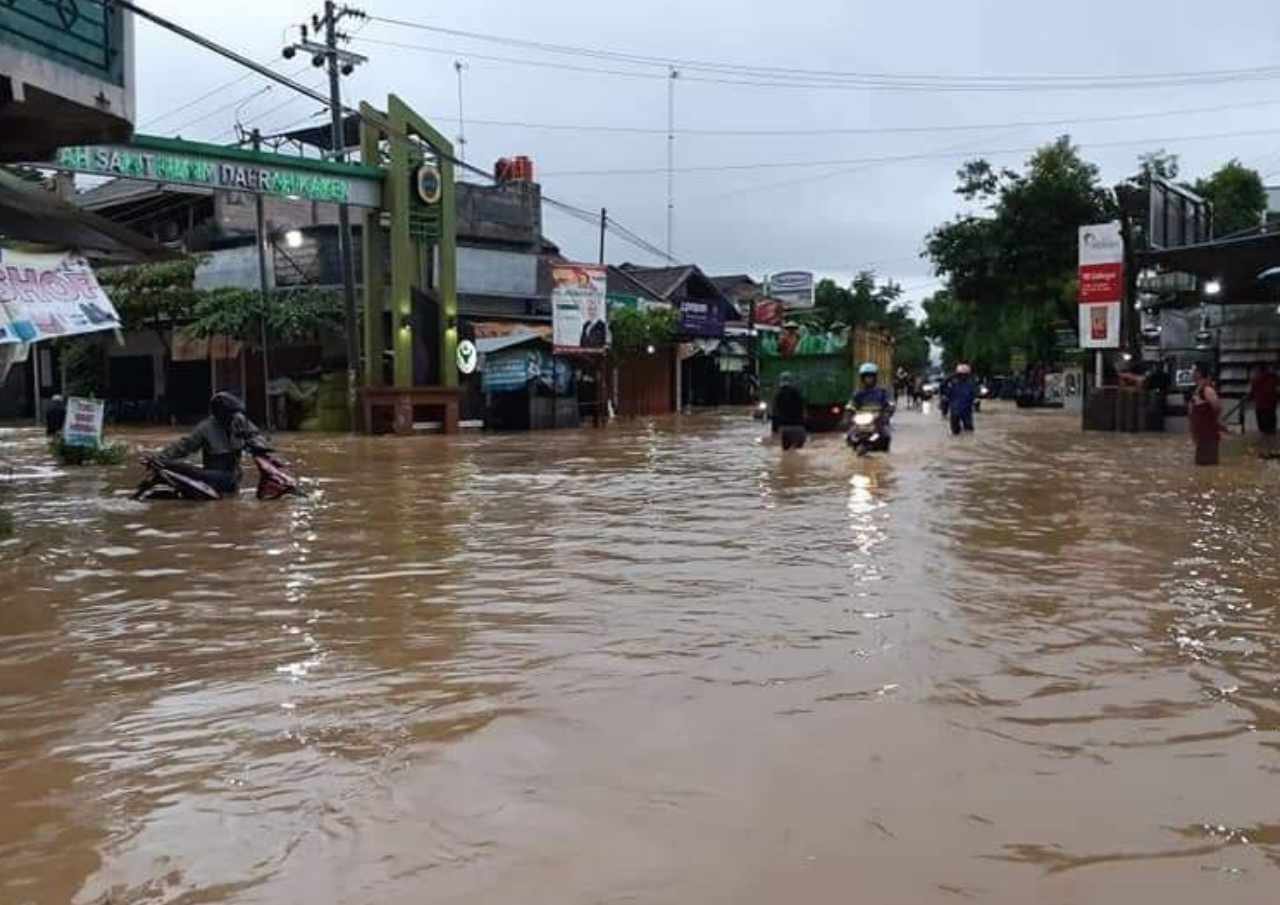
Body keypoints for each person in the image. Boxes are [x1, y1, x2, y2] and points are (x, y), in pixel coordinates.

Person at [150, 392, 271, 495]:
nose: (232, 417)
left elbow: (256, 436)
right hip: (213, 477)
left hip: (233, 477)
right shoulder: (205, 428)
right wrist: (161, 458)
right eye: (229, 414)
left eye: (234, 413)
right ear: (220, 415)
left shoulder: (240, 421)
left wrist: (260, 447)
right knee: (186, 468)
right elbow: (184, 446)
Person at [1189, 362, 1225, 466]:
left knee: (1208, 464)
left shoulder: (1207, 390)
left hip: (1208, 434)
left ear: (1199, 373)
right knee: (1201, 465)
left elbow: (1217, 407)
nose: (1192, 373)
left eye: (1194, 370)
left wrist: (1214, 422)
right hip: (1201, 434)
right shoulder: (1198, 390)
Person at [772, 372, 807, 451]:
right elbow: (803, 410)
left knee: (786, 451)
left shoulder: (778, 395)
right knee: (799, 451)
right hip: (798, 427)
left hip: (785, 428)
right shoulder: (798, 393)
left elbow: (775, 413)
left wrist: (774, 430)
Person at [947, 363, 978, 435]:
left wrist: (975, 399)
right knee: (955, 430)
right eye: (961, 374)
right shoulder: (952, 382)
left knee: (968, 429)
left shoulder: (971, 382)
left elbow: (975, 393)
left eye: (965, 374)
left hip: (966, 409)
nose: (963, 376)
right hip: (956, 409)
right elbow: (943, 387)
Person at [1250, 362, 1277, 436]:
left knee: (1262, 428)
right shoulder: (1273, 378)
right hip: (1271, 404)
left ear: (1259, 370)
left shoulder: (1255, 379)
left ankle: (1263, 441)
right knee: (1271, 427)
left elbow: (1252, 392)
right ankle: (1271, 441)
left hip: (1260, 405)